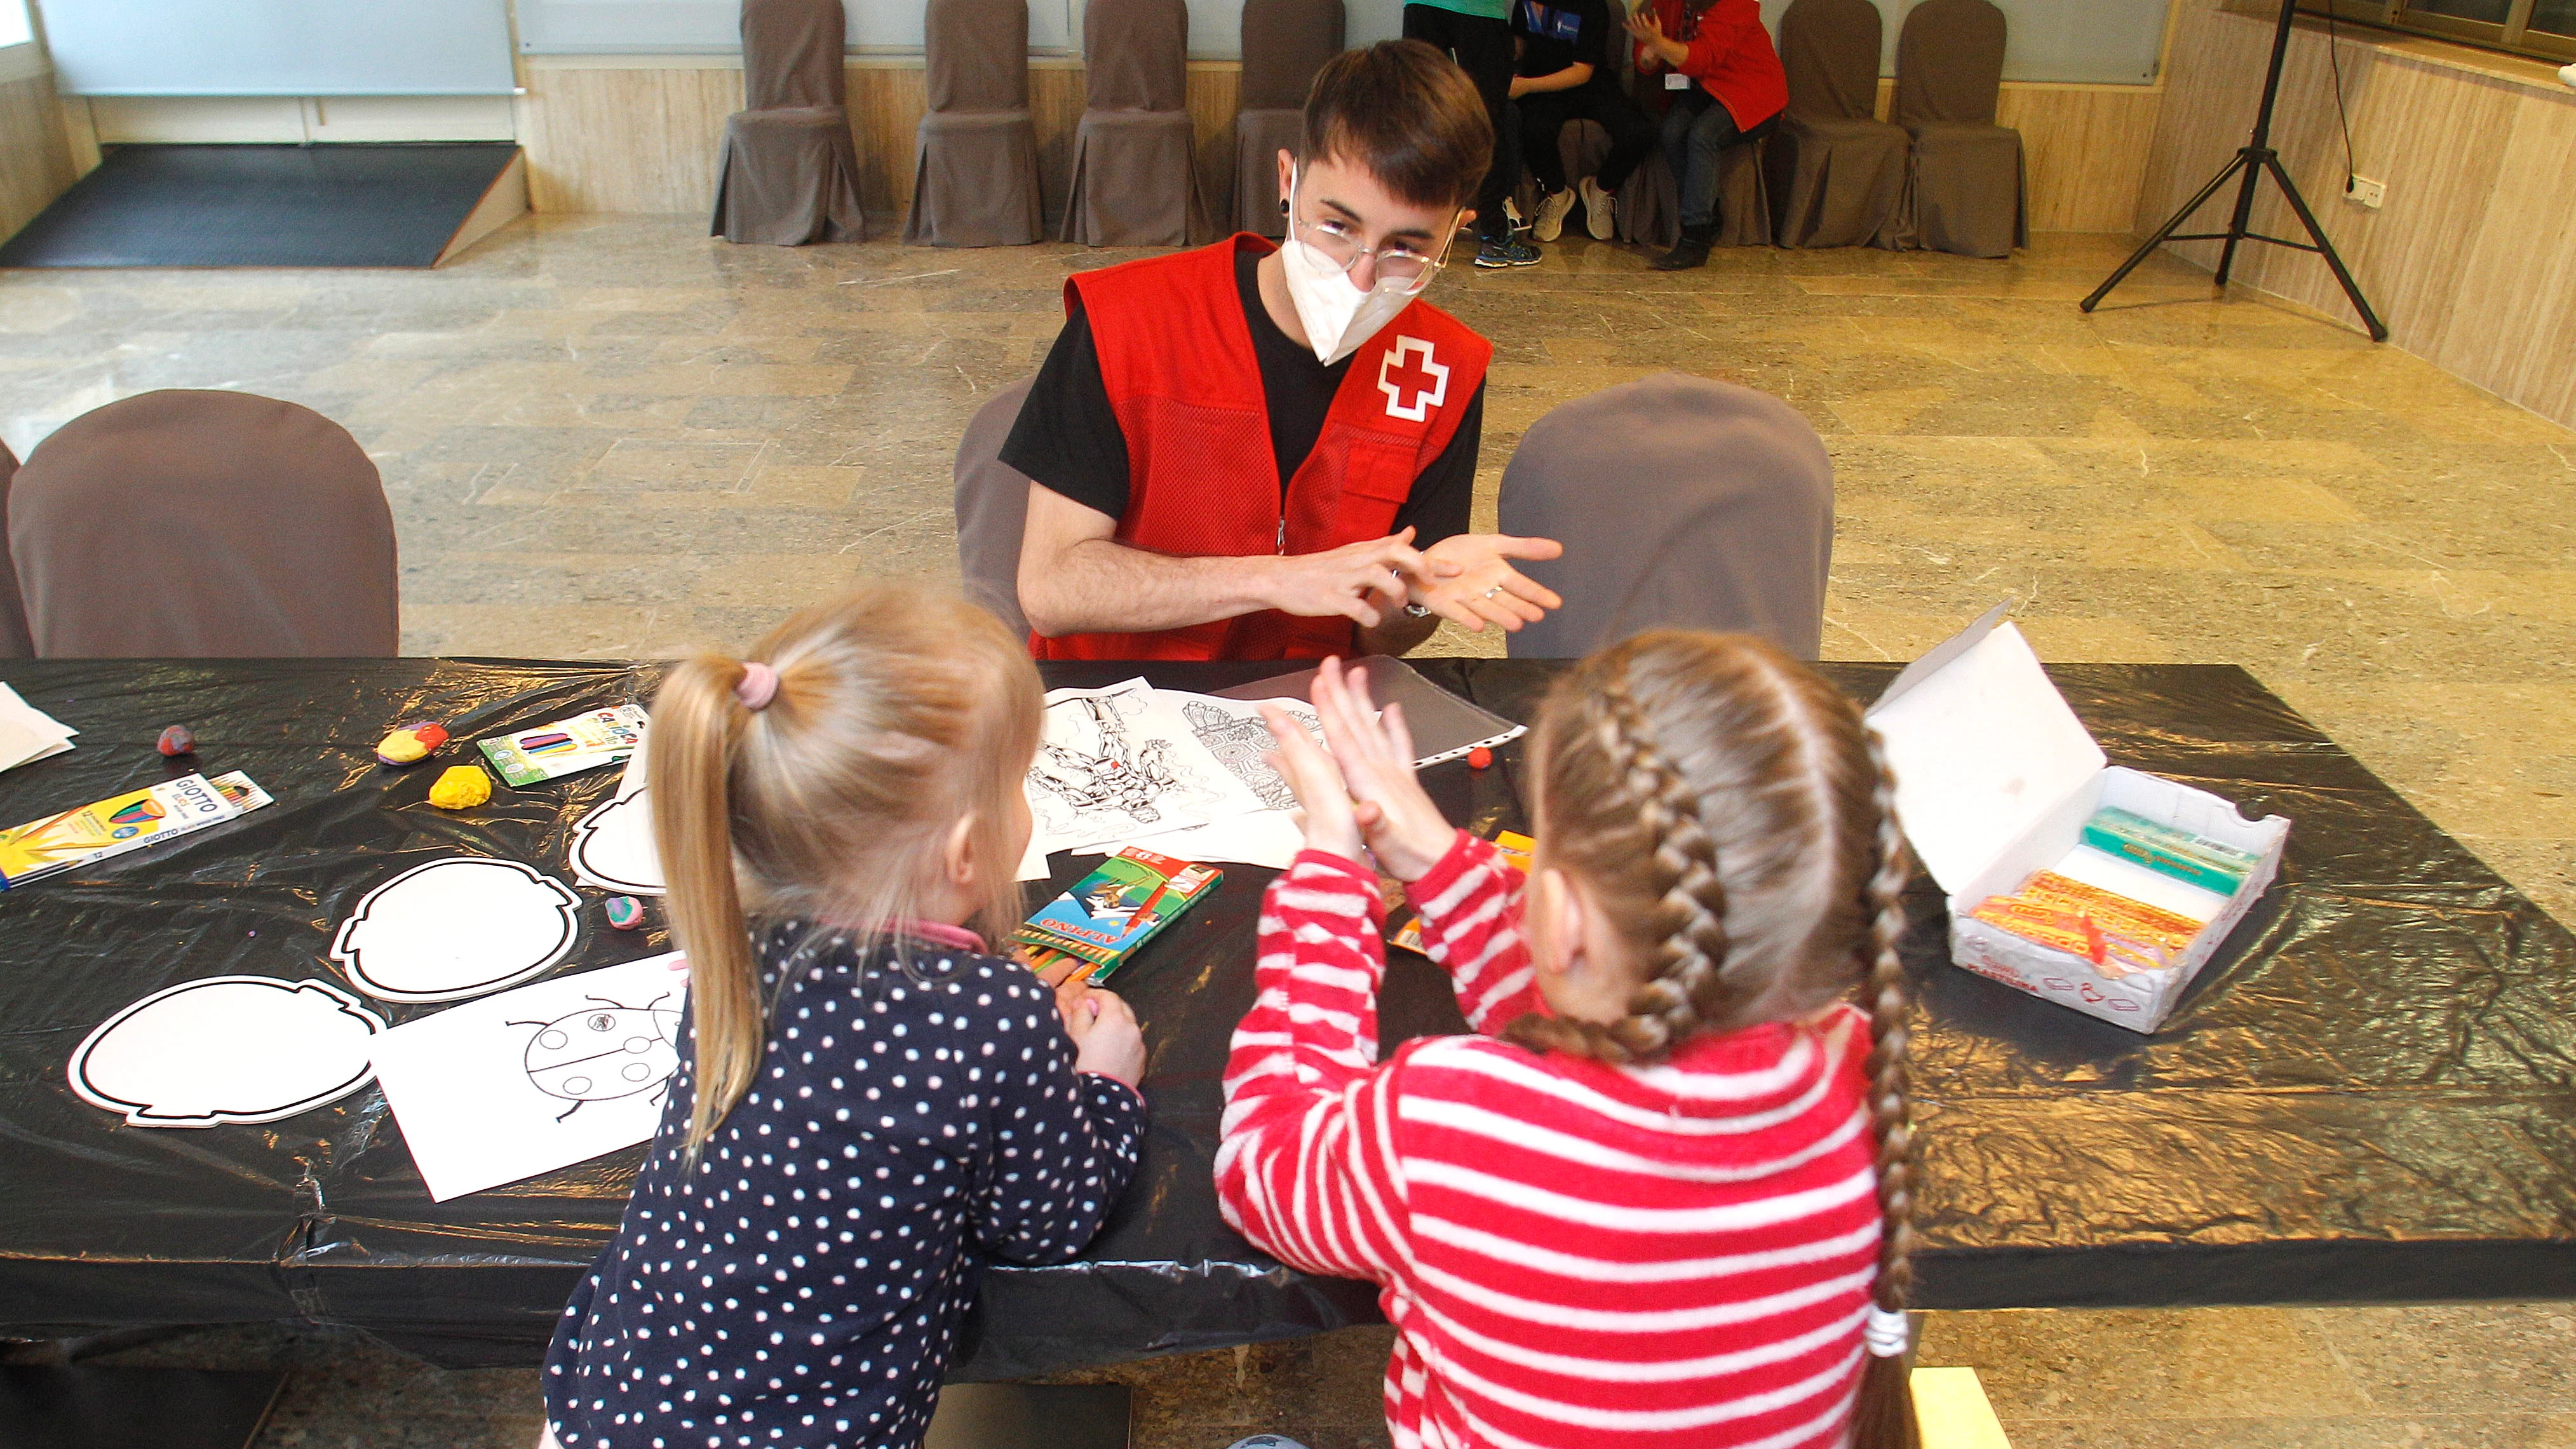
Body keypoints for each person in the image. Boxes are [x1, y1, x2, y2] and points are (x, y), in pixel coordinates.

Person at [1217, 640, 1923, 1449]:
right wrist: (1433, 857)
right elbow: (1630, 997)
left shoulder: (1449, 1124)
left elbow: (1264, 1169)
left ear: (1563, 916)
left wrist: (1328, 877)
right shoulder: (1859, 1070)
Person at [539, 586, 1150, 1449]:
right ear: (967, 849)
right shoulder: (993, 1015)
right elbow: (1043, 1223)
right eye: (1018, 782)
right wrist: (1105, 1084)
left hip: (608, 1404)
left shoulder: (730, 947)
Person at [1004, 41, 1563, 664]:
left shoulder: (1444, 370)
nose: (1360, 276)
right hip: (1115, 709)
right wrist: (1272, 579)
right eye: (1337, 227)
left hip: (1307, 713)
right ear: (1287, 181)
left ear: (1455, 231)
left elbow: (1379, 638)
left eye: (1405, 247)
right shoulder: (1125, 322)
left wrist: (1415, 597)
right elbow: (1051, 588)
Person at [1629, 0, 1788, 271]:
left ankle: (1695, 237)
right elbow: (1645, 59)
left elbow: (1701, 58)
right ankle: (1709, 215)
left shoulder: (1738, 4)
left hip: (1752, 90)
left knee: (1703, 136)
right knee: (1671, 132)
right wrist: (1650, 53)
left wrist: (1658, 43)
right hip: (1704, 89)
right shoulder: (1667, 3)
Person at [1509, 0, 1659, 245]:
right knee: (1533, 130)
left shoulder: (1593, 6)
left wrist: (1526, 87)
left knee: (1639, 132)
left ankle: (1600, 189)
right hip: (1540, 80)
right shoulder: (1523, 3)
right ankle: (1557, 193)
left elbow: (1582, 73)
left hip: (1589, 83)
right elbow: (1521, 45)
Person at [1399, 0, 1535, 268]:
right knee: (1485, 124)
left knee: (1421, 120)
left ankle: (1412, 237)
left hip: (1423, 8)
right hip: (1477, 14)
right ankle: (1496, 238)